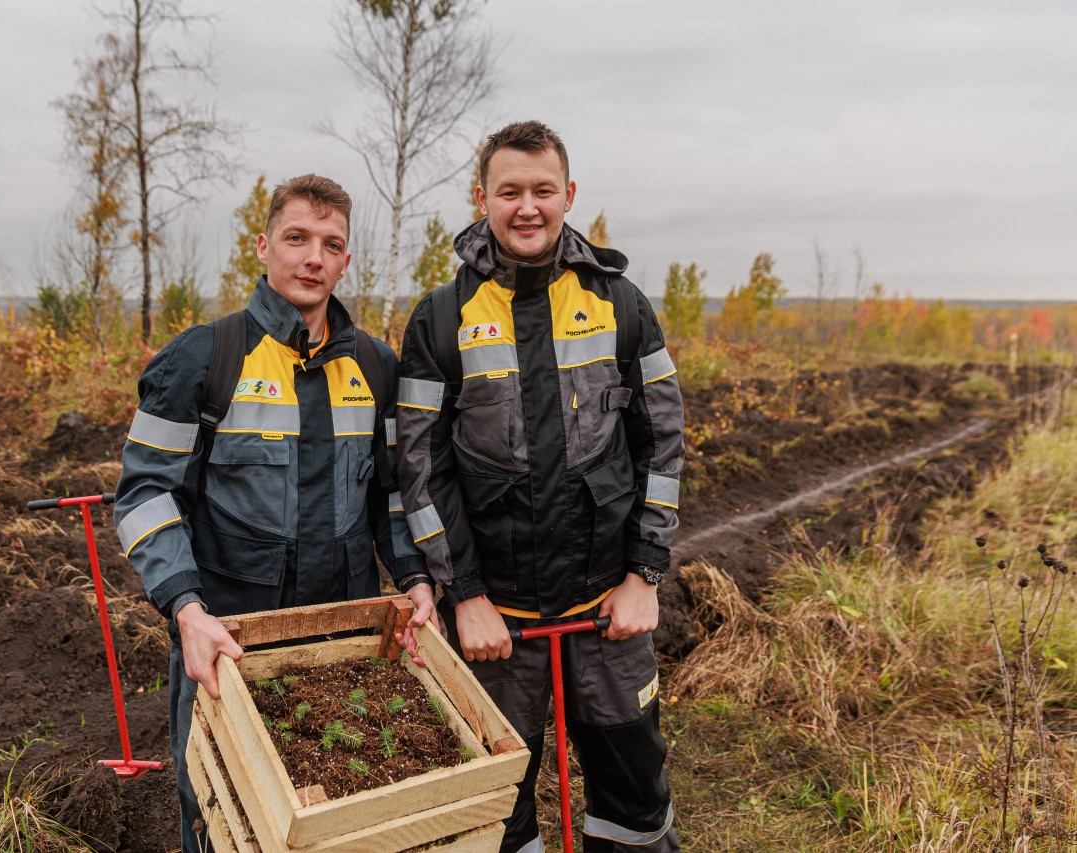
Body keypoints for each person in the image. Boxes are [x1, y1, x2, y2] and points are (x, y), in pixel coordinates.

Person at [114, 174, 432, 853]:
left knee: (342, 816)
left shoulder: (377, 368)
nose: (312, 257)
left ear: (347, 262)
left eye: (331, 244)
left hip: (343, 648)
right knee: (223, 816)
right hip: (227, 647)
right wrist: (186, 609)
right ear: (263, 246)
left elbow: (393, 497)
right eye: (297, 238)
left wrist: (416, 581)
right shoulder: (205, 359)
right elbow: (144, 495)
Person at [395, 121, 684, 852]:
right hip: (499, 628)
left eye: (543, 190)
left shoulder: (621, 303)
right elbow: (420, 468)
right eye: (510, 191)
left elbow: (663, 443)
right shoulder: (439, 317)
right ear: (482, 198)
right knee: (492, 813)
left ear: (569, 195)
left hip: (607, 611)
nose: (528, 207)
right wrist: (465, 596)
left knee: (635, 808)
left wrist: (645, 574)